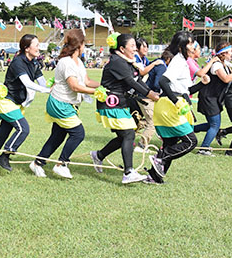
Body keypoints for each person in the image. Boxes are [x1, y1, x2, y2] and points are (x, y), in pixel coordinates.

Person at [90, 33, 159, 184]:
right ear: (122, 48)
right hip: (111, 103)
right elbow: (130, 81)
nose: (136, 49)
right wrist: (149, 93)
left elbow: (137, 80)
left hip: (121, 103)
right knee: (128, 135)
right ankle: (128, 172)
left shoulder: (127, 61)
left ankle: (99, 155)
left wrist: (150, 92)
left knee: (124, 136)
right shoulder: (117, 62)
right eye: (132, 46)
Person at [30, 29, 100, 179]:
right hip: (60, 103)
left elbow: (87, 81)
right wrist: (95, 93)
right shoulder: (66, 62)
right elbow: (74, 86)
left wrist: (103, 86)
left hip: (67, 104)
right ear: (80, 45)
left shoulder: (78, 62)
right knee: (78, 133)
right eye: (84, 44)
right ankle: (62, 164)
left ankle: (37, 163)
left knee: (58, 136)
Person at [0, 34, 51, 171]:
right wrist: (46, 91)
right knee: (23, 129)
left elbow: (42, 81)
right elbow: (27, 83)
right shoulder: (18, 62)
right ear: (26, 48)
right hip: (6, 102)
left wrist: (54, 88)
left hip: (16, 103)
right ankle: (5, 155)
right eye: (36, 45)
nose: (38, 47)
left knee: (3, 134)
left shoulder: (34, 63)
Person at [146, 31, 211, 184]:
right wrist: (176, 101)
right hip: (169, 106)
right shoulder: (179, 61)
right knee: (190, 142)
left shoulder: (183, 61)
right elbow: (163, 81)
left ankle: (154, 177)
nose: (194, 46)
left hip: (169, 105)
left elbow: (187, 91)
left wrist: (203, 84)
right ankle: (160, 158)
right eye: (190, 43)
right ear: (182, 46)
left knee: (171, 143)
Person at [194, 41, 232, 156]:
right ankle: (204, 148)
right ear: (223, 54)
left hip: (214, 97)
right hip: (209, 97)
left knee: (211, 124)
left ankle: (187, 132)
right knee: (215, 125)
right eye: (230, 52)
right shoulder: (217, 65)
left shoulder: (225, 64)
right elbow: (226, 79)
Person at [133, 38, 165, 152]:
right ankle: (141, 145)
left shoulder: (144, 59)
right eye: (144, 46)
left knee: (142, 120)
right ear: (137, 48)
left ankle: (129, 139)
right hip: (136, 93)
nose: (146, 49)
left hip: (141, 92)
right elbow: (142, 72)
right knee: (151, 121)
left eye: (147, 46)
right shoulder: (134, 58)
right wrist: (155, 63)